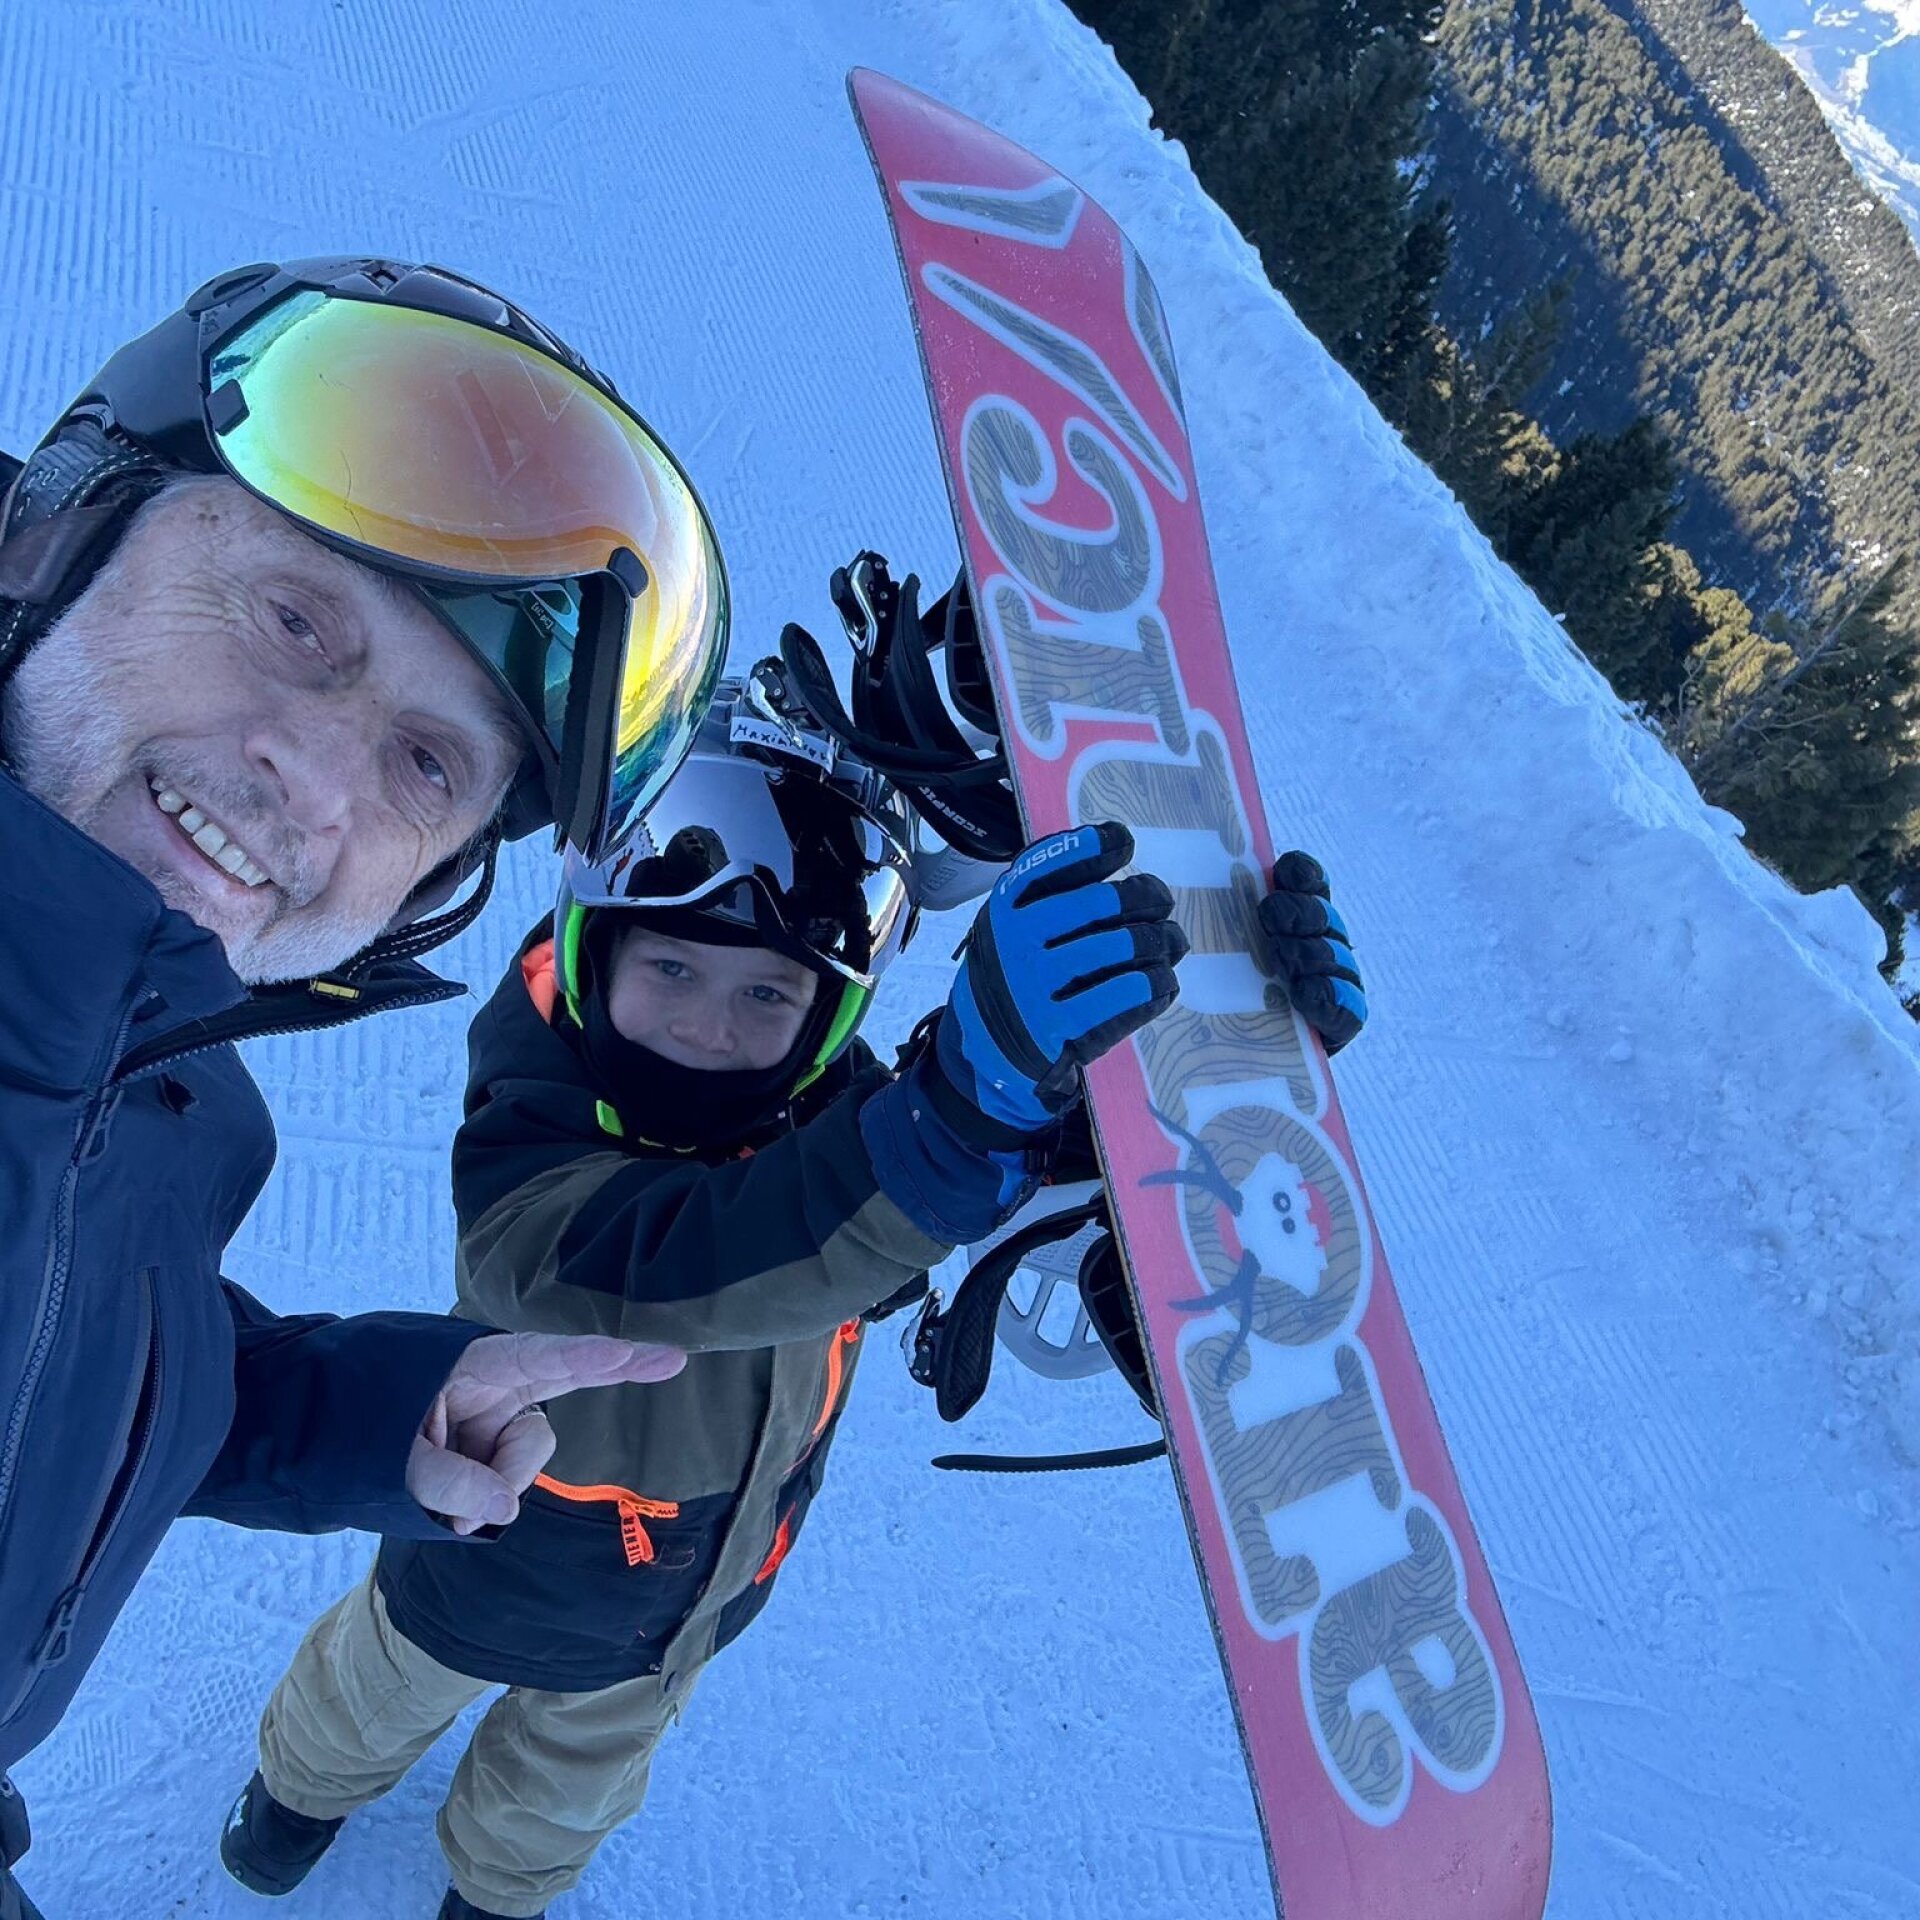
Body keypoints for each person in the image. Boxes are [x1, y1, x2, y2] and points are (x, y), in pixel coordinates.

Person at [218, 662, 1367, 1919]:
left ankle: (492, 1896)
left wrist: (1208, 1046)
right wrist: (954, 1117)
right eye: (672, 970)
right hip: (480, 1553)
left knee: (560, 1795)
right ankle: (292, 1800)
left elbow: (920, 1206)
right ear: (594, 953)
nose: (712, 1028)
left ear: (826, 1020)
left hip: (681, 1597)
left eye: (767, 994)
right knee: (362, 1697)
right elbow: (722, 1249)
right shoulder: (527, 1153)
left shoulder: (827, 1114)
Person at [0, 255, 735, 1919]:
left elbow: (57, 1344)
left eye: (426, 763)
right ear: (61, 530)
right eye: (293, 620)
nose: (316, 785)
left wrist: (342, 1413)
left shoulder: (174, 1095)